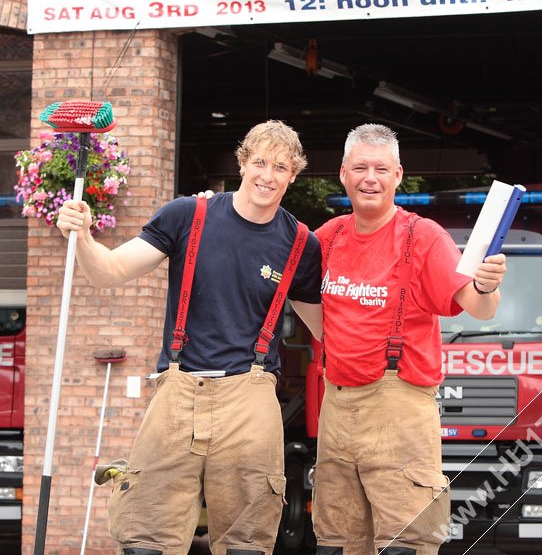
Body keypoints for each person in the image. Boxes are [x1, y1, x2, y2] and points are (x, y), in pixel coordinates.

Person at [56, 120, 323, 555]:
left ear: (294, 174)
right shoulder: (188, 215)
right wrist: (83, 235)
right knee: (146, 535)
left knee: (247, 541)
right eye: (259, 162)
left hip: (250, 397)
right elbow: (110, 271)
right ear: (242, 162)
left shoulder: (300, 244)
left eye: (280, 167)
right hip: (178, 389)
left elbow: (327, 330)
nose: (267, 176)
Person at [311, 123, 507, 555]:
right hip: (336, 407)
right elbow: (279, 282)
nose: (370, 178)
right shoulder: (327, 238)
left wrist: (488, 286)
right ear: (342, 173)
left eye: (381, 168)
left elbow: (478, 306)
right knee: (335, 541)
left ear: (398, 174)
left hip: (398, 407)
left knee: (405, 541)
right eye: (359, 167)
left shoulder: (424, 237)